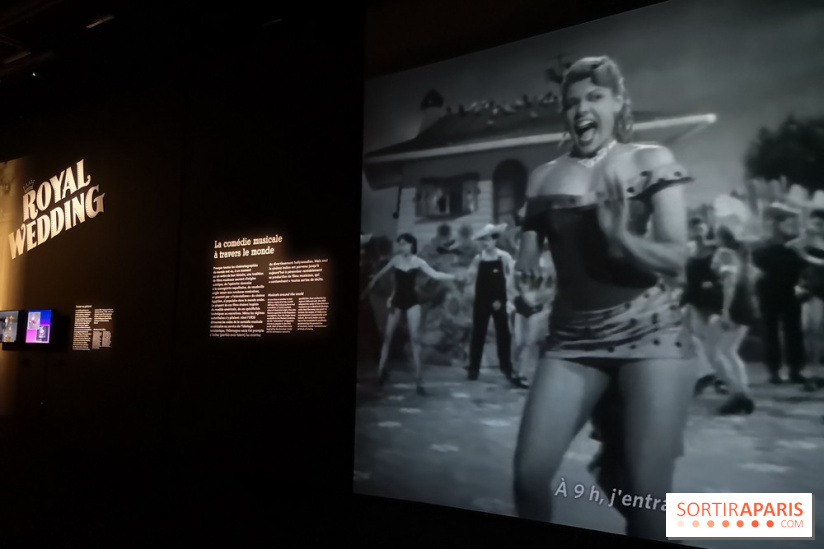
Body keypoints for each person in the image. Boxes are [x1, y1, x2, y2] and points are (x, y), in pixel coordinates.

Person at [511, 56, 696, 541]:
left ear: (618, 103)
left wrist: (623, 240)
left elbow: (677, 258)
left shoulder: (649, 160)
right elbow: (528, 269)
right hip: (571, 338)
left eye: (594, 97)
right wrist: (527, 296)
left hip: (650, 334)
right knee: (529, 478)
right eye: (572, 103)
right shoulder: (542, 179)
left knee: (646, 498)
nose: (581, 110)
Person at [360, 233, 456, 395]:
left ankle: (419, 380)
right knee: (388, 338)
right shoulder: (396, 260)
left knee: (415, 339)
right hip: (397, 301)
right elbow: (379, 276)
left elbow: (435, 274)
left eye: (404, 244)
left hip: (412, 302)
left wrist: (454, 276)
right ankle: (380, 374)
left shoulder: (418, 262)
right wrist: (367, 291)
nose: (402, 247)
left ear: (411, 245)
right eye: (400, 244)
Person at [464, 223, 529, 388]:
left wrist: (504, 299)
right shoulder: (479, 259)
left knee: (504, 334)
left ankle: (506, 367)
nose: (485, 243)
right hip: (481, 301)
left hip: (499, 300)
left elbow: (509, 279)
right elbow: (470, 278)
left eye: (488, 239)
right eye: (483, 240)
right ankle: (474, 368)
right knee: (478, 333)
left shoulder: (504, 257)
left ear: (494, 240)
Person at [752, 204, 806, 384]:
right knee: (771, 331)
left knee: (792, 330)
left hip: (788, 289)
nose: (775, 225)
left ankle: (793, 369)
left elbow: (802, 266)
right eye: (773, 221)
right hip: (769, 290)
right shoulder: (762, 245)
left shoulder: (792, 243)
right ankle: (775, 371)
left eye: (778, 221)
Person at [707, 225, 757, 414]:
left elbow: (729, 283)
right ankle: (741, 392)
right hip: (744, 304)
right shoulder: (742, 255)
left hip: (735, 306)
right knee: (729, 351)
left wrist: (726, 310)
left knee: (718, 352)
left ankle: (738, 394)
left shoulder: (726, 254)